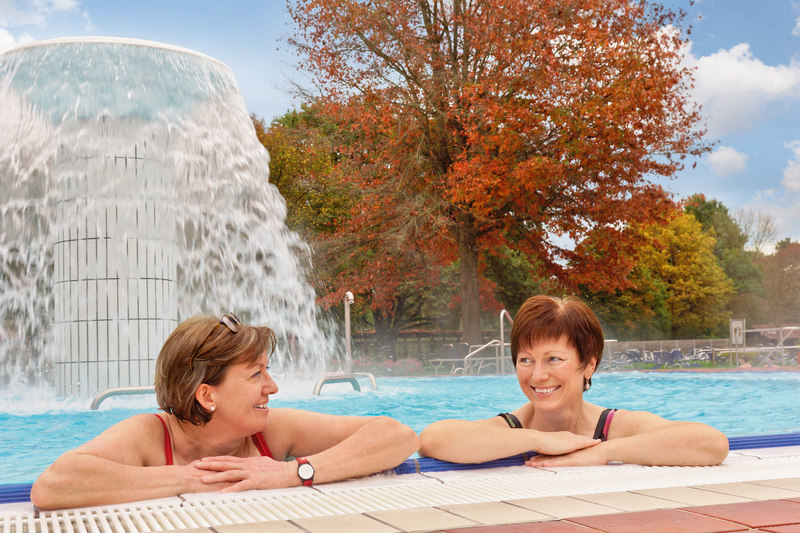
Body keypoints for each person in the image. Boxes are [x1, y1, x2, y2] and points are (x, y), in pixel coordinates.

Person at [32, 314, 420, 510]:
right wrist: (187, 480)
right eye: (256, 374)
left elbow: (398, 436)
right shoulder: (151, 436)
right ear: (207, 395)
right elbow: (52, 486)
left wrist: (293, 471)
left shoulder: (272, 430)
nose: (273, 387)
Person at [419, 295, 729, 467]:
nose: (537, 375)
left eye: (553, 359)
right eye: (526, 360)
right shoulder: (513, 428)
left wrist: (602, 452)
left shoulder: (611, 428)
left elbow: (711, 443)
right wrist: (540, 440)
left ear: (589, 364)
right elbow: (432, 439)